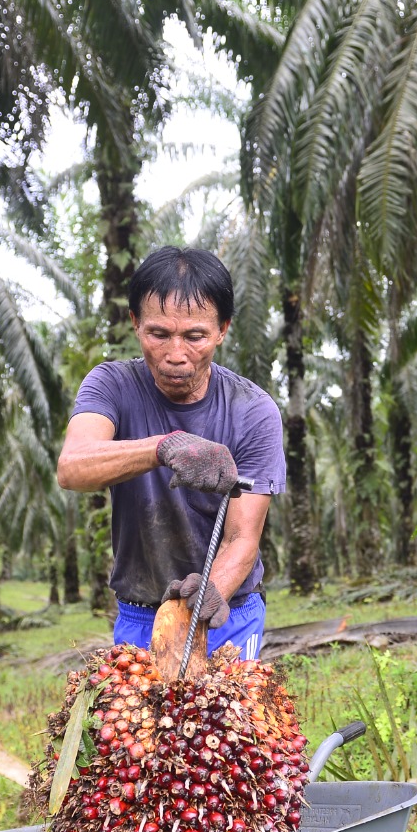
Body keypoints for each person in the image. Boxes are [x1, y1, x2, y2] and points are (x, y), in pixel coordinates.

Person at [56, 246, 285, 659]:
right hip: (141, 612)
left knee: (230, 703)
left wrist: (213, 590)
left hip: (227, 610)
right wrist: (164, 447)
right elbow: (73, 466)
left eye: (195, 336)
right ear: (135, 323)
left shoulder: (252, 410)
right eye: (158, 334)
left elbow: (241, 537)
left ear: (222, 329)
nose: (176, 355)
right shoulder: (111, 385)